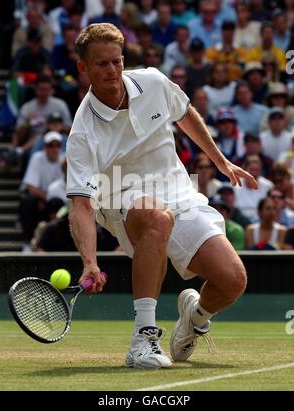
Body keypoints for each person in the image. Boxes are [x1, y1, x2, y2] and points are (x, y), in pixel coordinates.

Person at [66, 23, 258, 369]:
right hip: (122, 196)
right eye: (101, 64)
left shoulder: (153, 81)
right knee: (156, 216)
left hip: (178, 191)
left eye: (116, 61)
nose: (111, 70)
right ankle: (143, 337)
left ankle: (194, 318)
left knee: (232, 281)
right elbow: (81, 205)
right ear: (83, 68)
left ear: (124, 59)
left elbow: (184, 113)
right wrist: (90, 262)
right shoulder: (82, 132)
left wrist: (221, 160)